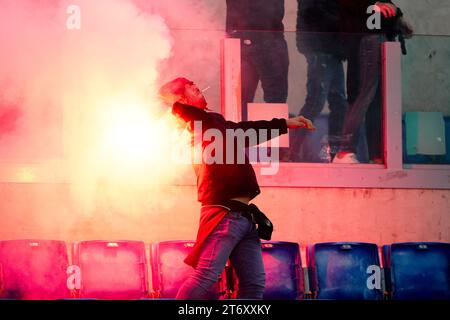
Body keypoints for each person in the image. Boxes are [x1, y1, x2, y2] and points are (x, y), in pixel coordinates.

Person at [158, 77, 315, 299]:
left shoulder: (214, 122)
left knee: (253, 286)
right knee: (205, 278)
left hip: (244, 218)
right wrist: (172, 102)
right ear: (182, 99)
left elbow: (245, 131)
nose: (198, 87)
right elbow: (182, 110)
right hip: (224, 215)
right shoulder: (198, 123)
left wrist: (285, 124)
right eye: (191, 87)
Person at [333, 0, 407, 163]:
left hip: (378, 41)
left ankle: (375, 154)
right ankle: (345, 151)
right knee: (364, 95)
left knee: (376, 99)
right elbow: (351, 7)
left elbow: (386, 8)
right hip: (367, 41)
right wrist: (375, 6)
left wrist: (395, 14)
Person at [287, 0, 347, 162]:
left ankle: (335, 154)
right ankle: (291, 152)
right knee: (316, 102)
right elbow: (312, 13)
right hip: (320, 49)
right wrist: (343, 23)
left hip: (330, 50)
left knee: (338, 104)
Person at [226, 0, 289, 120]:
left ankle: (240, 136)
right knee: (274, 97)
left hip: (243, 37)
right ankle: (269, 136)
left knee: (240, 101)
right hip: (266, 37)